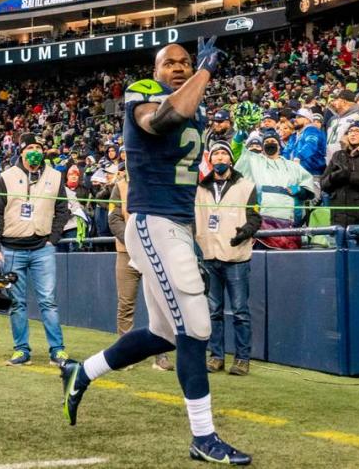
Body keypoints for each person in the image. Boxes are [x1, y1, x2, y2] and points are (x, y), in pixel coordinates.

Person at [60, 39, 251, 466]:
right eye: (171, 63)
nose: (180, 68)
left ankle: (81, 371)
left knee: (163, 333)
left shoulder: (196, 104)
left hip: (178, 225)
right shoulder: (141, 99)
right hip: (154, 223)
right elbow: (164, 120)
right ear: (155, 69)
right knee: (197, 329)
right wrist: (205, 71)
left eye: (186, 62)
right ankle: (203, 436)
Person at [0, 133, 70, 366]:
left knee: (48, 301)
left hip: (42, 248)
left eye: (39, 147)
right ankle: (21, 350)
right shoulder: (7, 176)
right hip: (11, 247)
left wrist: (53, 238)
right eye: (30, 147)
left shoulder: (55, 176)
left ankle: (57, 350)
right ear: (21, 151)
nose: (35, 150)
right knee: (17, 302)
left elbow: (62, 209)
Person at [195, 140, 261, 376]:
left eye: (224, 153)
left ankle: (242, 359)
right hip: (210, 256)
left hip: (236, 258)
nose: (220, 158)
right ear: (210, 160)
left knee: (240, 311)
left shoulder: (246, 185)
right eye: (216, 154)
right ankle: (216, 357)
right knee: (214, 312)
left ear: (231, 159)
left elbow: (256, 218)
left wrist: (245, 232)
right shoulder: (201, 187)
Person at [108, 162, 174, 371]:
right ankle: (125, 354)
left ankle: (160, 355)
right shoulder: (119, 186)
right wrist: (132, 241)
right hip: (126, 253)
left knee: (158, 304)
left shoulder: (158, 184)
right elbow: (114, 218)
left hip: (153, 253)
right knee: (126, 303)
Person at [320, 120, 359, 247]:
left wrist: (349, 176)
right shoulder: (338, 155)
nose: (352, 134)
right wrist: (334, 177)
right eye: (350, 131)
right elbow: (323, 183)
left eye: (357, 131)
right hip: (339, 220)